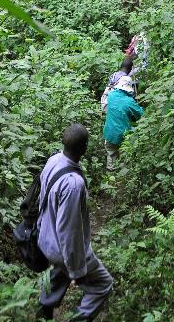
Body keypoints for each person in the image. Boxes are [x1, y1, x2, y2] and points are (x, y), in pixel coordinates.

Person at [37, 123, 113, 321]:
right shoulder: (73, 184)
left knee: (59, 272)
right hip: (61, 248)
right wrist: (77, 270)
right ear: (84, 148)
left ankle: (44, 309)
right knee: (102, 284)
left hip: (45, 238)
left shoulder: (53, 160)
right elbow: (69, 232)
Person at [103, 75, 144, 171]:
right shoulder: (129, 101)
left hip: (110, 134)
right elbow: (141, 115)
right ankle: (124, 177)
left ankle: (111, 177)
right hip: (124, 136)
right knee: (126, 159)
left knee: (111, 155)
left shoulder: (111, 95)